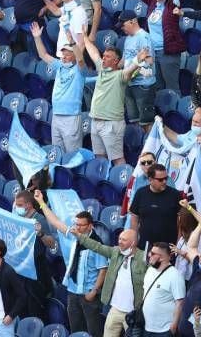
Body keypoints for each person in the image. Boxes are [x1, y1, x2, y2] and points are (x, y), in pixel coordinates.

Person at [35, 191, 108, 337]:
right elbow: (55, 221)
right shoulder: (75, 234)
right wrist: (41, 202)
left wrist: (94, 291)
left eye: (81, 225)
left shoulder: (97, 243)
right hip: (73, 291)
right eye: (76, 224)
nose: (78, 227)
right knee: (76, 330)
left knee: (93, 331)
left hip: (88, 293)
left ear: (90, 226)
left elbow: (103, 269)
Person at [83, 31, 141, 166]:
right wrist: (85, 36)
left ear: (115, 61)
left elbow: (130, 70)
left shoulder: (120, 76)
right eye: (104, 56)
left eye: (107, 57)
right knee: (99, 158)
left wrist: (138, 59)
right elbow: (93, 52)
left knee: (117, 159)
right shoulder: (101, 69)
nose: (103, 58)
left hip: (111, 124)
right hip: (96, 122)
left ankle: (127, 186)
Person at [30, 23, 85, 153]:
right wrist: (37, 37)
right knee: (58, 153)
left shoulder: (79, 70)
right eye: (63, 54)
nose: (64, 57)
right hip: (56, 116)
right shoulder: (59, 65)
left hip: (71, 117)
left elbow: (81, 58)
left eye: (67, 55)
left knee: (72, 155)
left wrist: (72, 42)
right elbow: (43, 55)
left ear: (74, 55)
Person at [162, 110, 201, 217]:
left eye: (197, 122)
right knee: (191, 220)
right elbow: (175, 137)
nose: (193, 124)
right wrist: (161, 126)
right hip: (193, 187)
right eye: (193, 121)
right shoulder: (190, 134)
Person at [129, 163, 182, 249]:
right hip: (144, 247)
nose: (164, 181)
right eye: (160, 180)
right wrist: (134, 242)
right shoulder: (141, 193)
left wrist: (178, 245)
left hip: (168, 249)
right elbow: (134, 218)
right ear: (150, 179)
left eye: (166, 178)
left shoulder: (175, 195)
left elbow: (181, 223)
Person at [140, 241, 186, 337]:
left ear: (162, 257)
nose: (149, 255)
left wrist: (173, 328)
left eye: (152, 253)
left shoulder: (175, 275)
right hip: (146, 327)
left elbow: (180, 303)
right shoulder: (149, 270)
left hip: (164, 331)